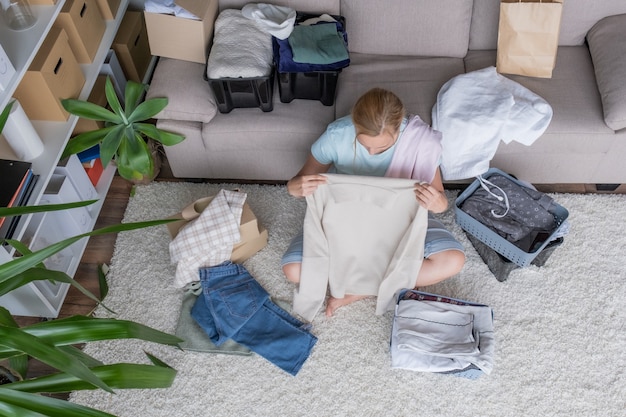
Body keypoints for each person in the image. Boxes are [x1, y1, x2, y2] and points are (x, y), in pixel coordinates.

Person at [281, 88, 465, 317]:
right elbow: (297, 182)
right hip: (344, 219)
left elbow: (440, 200)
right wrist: (296, 187)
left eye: (382, 148)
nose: (371, 152)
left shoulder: (420, 141)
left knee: (452, 260)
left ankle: (360, 291)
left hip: (402, 219)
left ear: (399, 129)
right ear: (355, 125)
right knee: (293, 270)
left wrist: (437, 203)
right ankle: (386, 282)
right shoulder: (337, 135)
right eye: (364, 144)